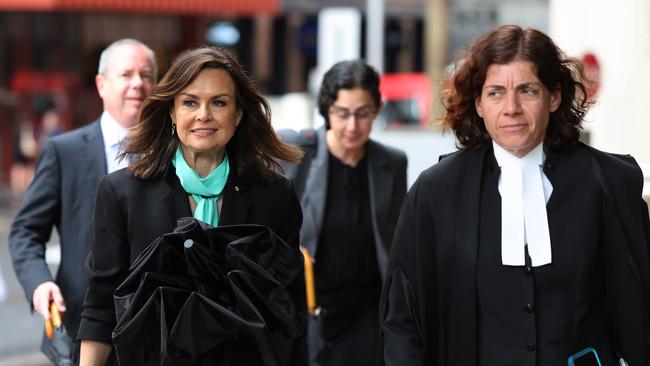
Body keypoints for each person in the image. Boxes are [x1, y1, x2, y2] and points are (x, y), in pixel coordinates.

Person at [379, 24, 650, 365]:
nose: (511, 108)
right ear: (478, 103)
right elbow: (403, 323)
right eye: (495, 93)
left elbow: (639, 307)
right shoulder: (435, 193)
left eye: (527, 91)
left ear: (554, 97)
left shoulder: (608, 185)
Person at [77, 46, 306, 365]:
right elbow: (102, 306)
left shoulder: (275, 195)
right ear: (172, 111)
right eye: (189, 102)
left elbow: (289, 313)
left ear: (238, 114)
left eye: (219, 102)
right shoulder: (122, 192)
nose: (203, 115)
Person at [8, 38, 156, 364]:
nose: (137, 84)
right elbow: (25, 232)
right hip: (80, 327)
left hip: (155, 332)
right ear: (101, 84)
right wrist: (39, 284)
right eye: (127, 74)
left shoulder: (172, 155)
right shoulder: (65, 151)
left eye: (146, 75)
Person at [279, 60, 407, 366]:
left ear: (376, 110)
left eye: (363, 114)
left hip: (366, 313)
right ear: (326, 110)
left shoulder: (391, 163)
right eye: (342, 114)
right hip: (306, 309)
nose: (352, 126)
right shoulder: (297, 152)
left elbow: (397, 240)